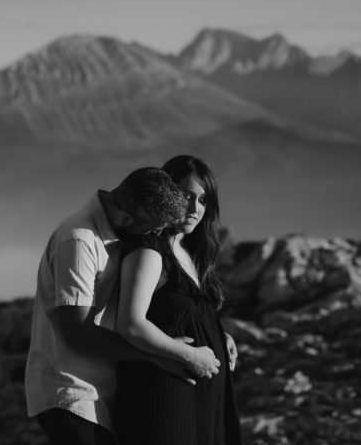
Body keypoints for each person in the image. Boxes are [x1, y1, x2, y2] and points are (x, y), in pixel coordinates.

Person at [25, 166, 223, 445]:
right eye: (153, 228)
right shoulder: (79, 241)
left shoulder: (116, 230)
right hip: (72, 391)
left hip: (103, 390)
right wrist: (160, 356)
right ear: (126, 216)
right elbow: (78, 334)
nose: (154, 236)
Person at [115, 155, 243, 445]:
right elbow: (130, 324)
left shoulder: (193, 253)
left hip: (205, 400)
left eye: (202, 200)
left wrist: (219, 336)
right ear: (166, 195)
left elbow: (180, 316)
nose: (194, 209)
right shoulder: (149, 251)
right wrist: (190, 355)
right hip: (167, 396)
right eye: (186, 197)